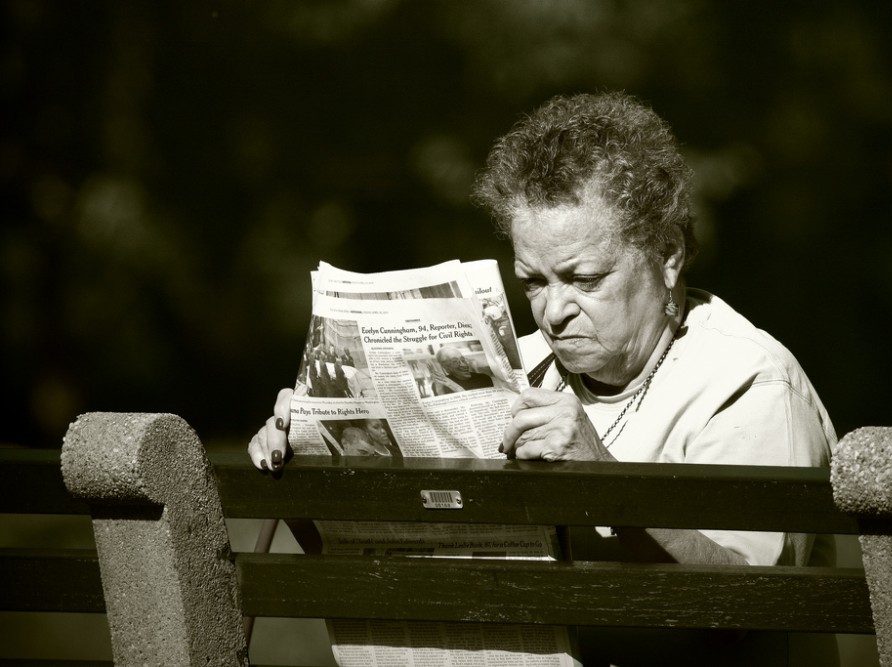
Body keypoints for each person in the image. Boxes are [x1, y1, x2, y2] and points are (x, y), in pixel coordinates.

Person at [248, 91, 838, 665]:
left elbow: (755, 605)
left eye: (583, 279)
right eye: (533, 281)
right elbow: (390, 572)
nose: (553, 312)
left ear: (667, 254)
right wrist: (308, 471)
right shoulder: (515, 368)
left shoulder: (748, 380)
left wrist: (600, 480)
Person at [430, 345, 495, 393]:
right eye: (455, 361)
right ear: (446, 367)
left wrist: (455, 387)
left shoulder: (484, 379)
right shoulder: (441, 385)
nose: (463, 365)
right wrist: (439, 389)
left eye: (463, 359)